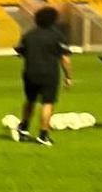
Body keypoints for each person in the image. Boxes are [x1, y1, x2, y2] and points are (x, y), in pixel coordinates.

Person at [12, 7, 74, 146]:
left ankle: (24, 128)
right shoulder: (57, 36)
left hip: (30, 72)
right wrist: (68, 76)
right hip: (49, 74)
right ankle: (43, 135)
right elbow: (65, 58)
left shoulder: (28, 35)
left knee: (30, 100)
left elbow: (20, 52)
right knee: (47, 103)